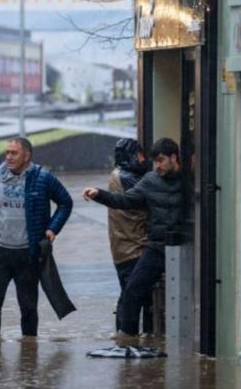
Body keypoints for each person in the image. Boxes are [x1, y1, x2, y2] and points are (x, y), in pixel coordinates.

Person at [83, 137, 183, 339]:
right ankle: (127, 336)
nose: (158, 166)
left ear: (174, 157)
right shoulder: (150, 180)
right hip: (157, 247)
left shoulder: (189, 179)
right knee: (133, 288)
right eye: (155, 161)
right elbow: (124, 201)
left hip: (185, 245)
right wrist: (99, 194)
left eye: (162, 160)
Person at [0, 137, 73, 337]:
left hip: (28, 254)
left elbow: (65, 202)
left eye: (14, 153)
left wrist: (52, 229)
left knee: (28, 307)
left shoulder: (43, 178)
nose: (9, 157)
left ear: (27, 156)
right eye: (7, 153)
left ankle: (29, 351)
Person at [107, 138, 149, 332]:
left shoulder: (118, 175)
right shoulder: (128, 178)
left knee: (127, 295)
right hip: (133, 247)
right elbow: (150, 199)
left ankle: (123, 339)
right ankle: (127, 339)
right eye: (140, 155)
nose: (143, 159)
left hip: (122, 247)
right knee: (131, 297)